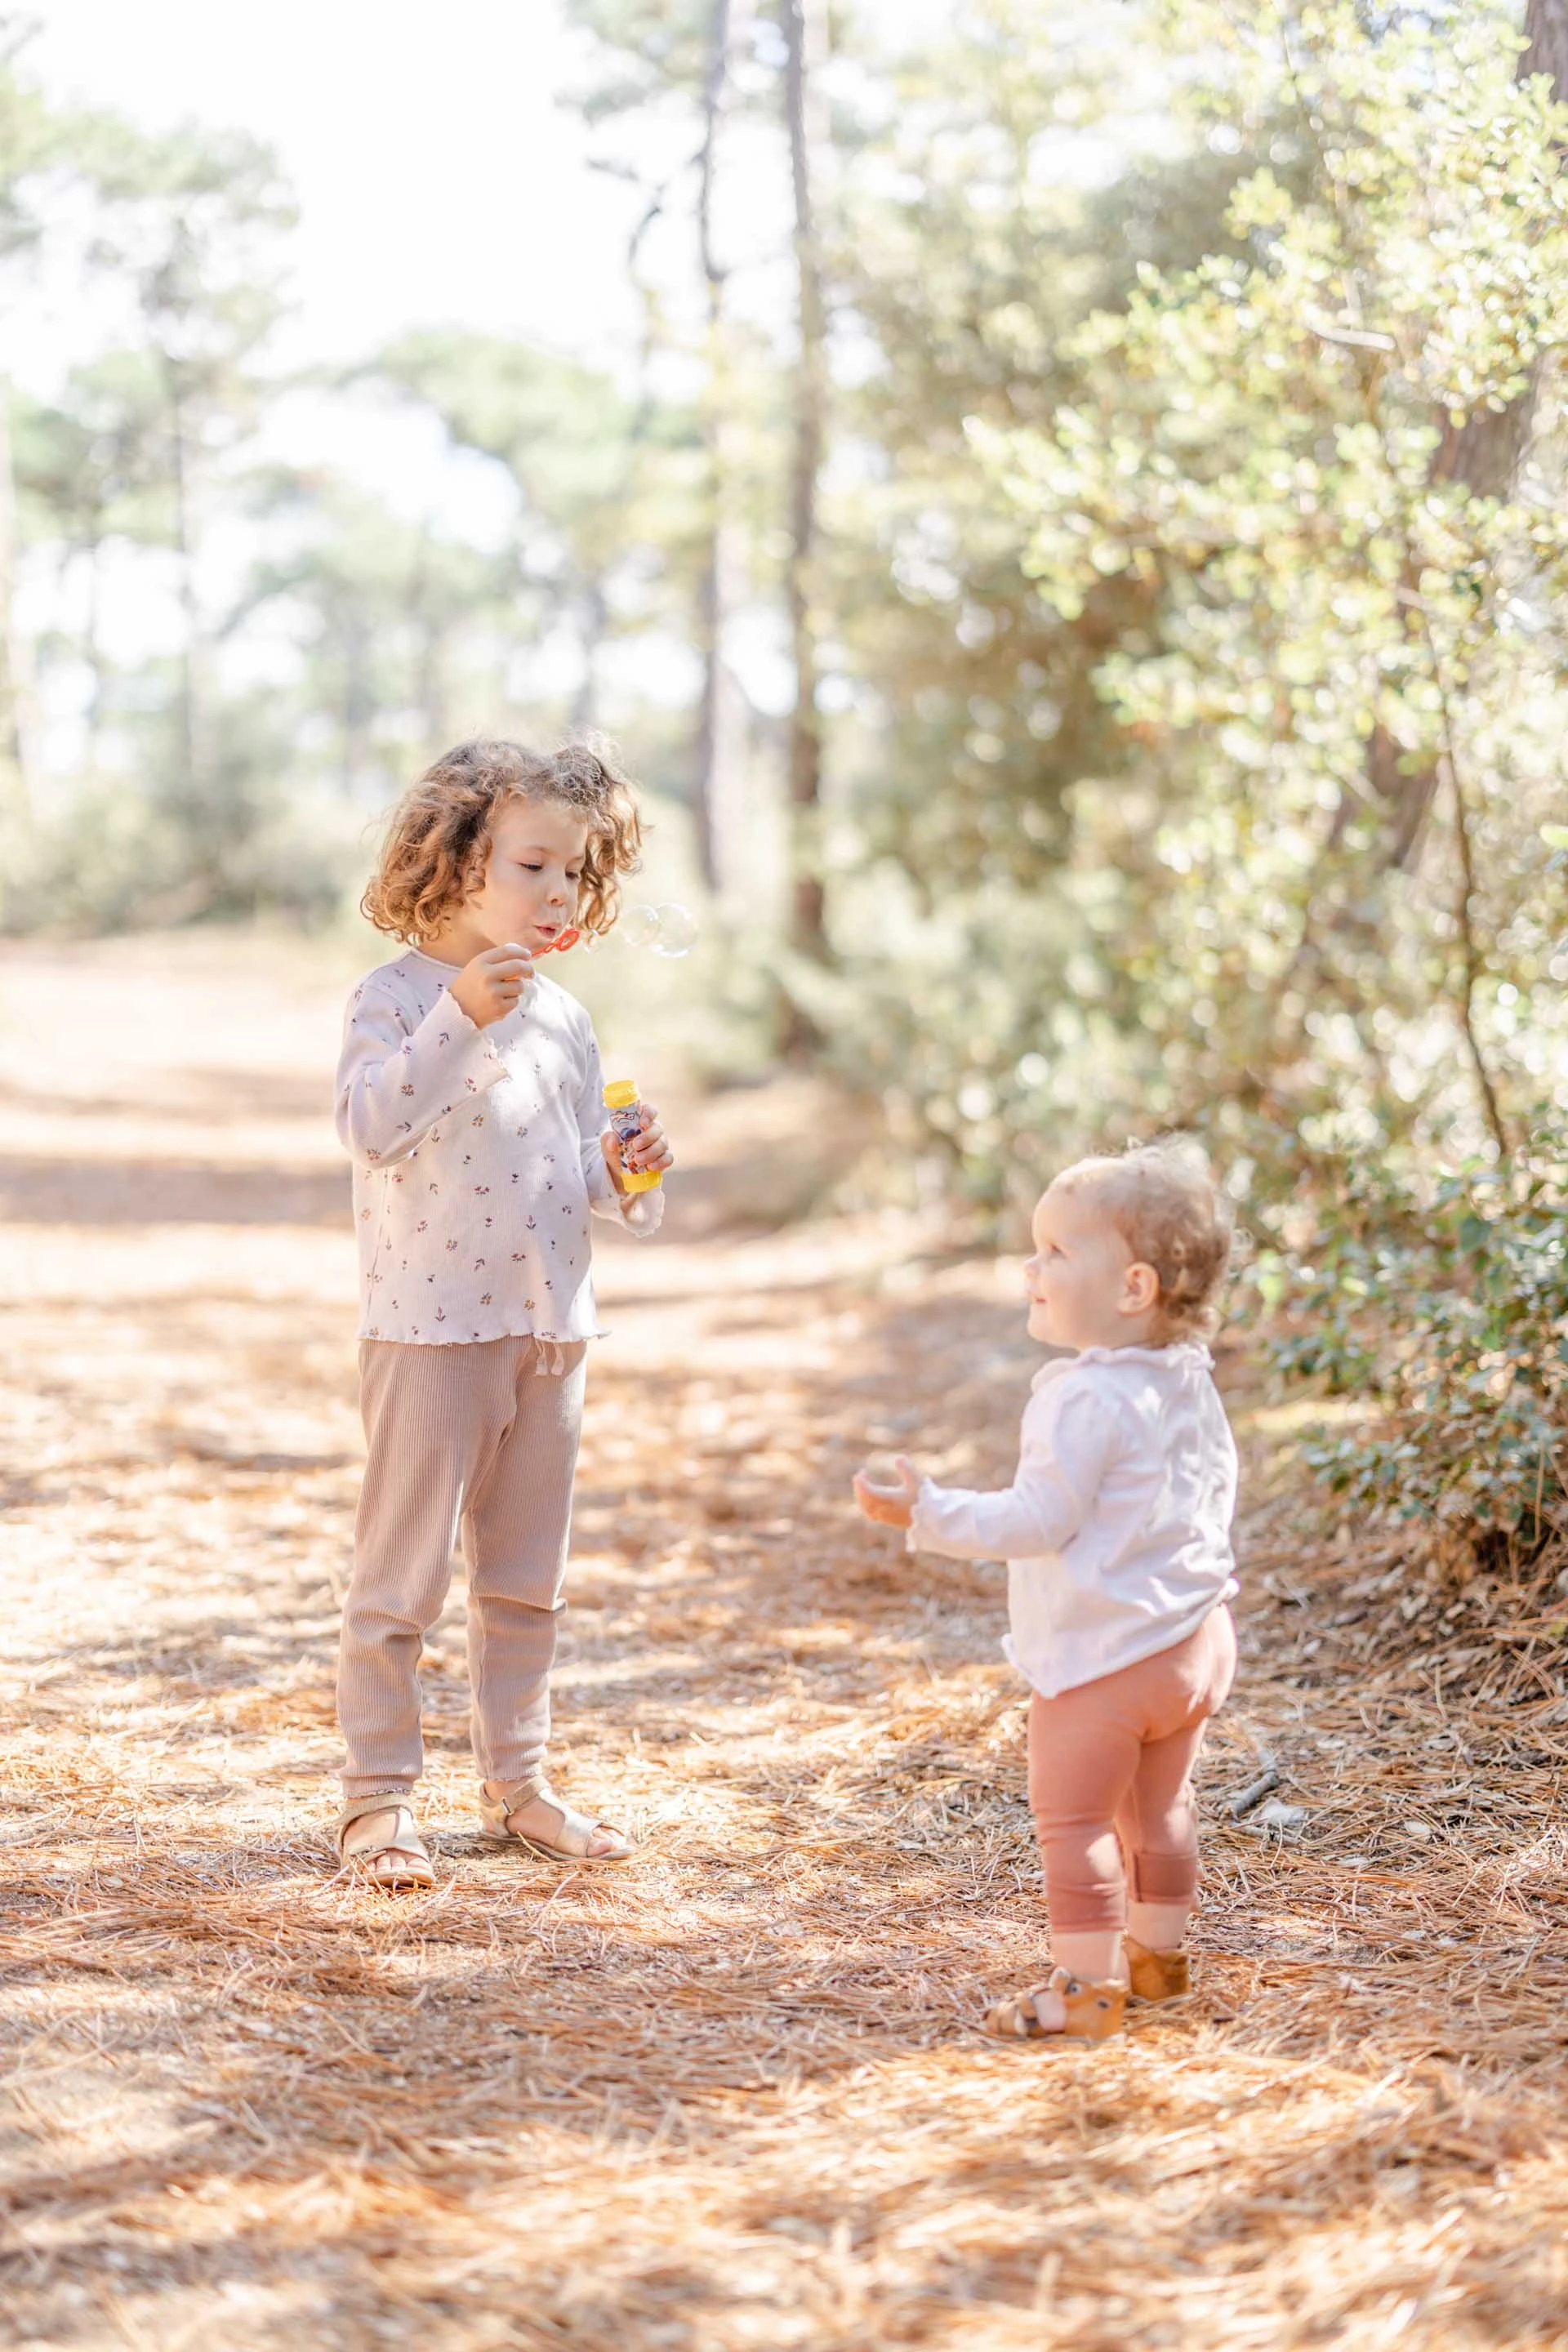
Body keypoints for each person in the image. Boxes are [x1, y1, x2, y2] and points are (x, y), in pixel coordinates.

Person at [332, 737, 673, 1891]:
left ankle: (516, 1784)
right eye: (533, 865)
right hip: (431, 1333)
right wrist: (459, 1018)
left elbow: (575, 1168)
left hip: (550, 1333)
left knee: (527, 1579)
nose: (557, 894)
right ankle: (378, 1802)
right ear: (457, 859)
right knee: (403, 1579)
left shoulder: (566, 1021)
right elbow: (372, 1125)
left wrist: (628, 1174)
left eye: (573, 874)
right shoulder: (393, 1000)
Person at [854, 1142, 1237, 2042]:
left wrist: (928, 1510)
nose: (1031, 1268)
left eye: (1056, 1253)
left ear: (1134, 1288)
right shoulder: (1187, 1375)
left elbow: (1036, 1520)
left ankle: (1086, 1993)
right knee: (1161, 1809)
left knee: (1073, 1823)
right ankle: (1159, 1964)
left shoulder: (1083, 1397)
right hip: (1192, 1639)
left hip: (1103, 1661)